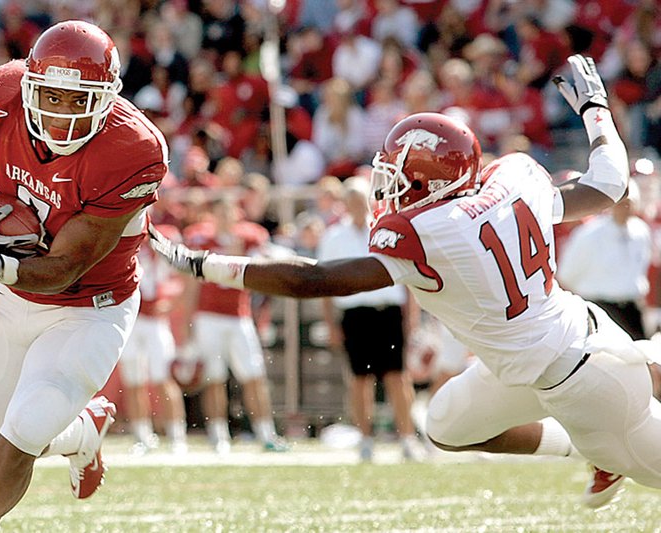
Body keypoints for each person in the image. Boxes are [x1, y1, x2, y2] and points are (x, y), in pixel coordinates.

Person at [150, 55, 661, 509]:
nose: (387, 193)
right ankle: (584, 445)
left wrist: (205, 264)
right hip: (540, 359)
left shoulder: (431, 230)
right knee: (446, 427)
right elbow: (608, 185)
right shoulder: (516, 177)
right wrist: (595, 106)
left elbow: (317, 280)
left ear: (432, 183)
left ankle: (603, 446)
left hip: (585, 378)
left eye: (398, 179)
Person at [0, 21, 168, 532]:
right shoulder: (1, 97)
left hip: (88, 307)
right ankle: (81, 433)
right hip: (13, 300)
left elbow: (65, 266)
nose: (61, 113)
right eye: (51, 95)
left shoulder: (132, 150)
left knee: (24, 430)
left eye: (80, 100)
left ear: (109, 97)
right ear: (28, 85)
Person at [317, 176, 422, 462]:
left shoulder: (385, 231)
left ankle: (407, 438)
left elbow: (407, 277)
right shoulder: (334, 237)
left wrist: (410, 317)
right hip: (355, 315)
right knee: (360, 380)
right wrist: (331, 324)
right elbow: (324, 284)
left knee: (397, 378)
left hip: (386, 312)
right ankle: (365, 438)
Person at [179, 196, 288, 454]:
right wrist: (187, 323)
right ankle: (219, 435)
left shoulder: (250, 238)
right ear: (212, 216)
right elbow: (191, 284)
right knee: (214, 377)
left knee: (253, 376)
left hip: (239, 315)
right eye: (221, 213)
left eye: (229, 212)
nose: (226, 218)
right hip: (209, 316)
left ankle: (266, 433)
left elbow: (264, 271)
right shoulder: (200, 240)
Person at [118, 225, 188, 455]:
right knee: (133, 381)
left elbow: (182, 273)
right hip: (129, 318)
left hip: (154, 319)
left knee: (162, 378)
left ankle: (177, 436)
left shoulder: (163, 235)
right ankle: (142, 437)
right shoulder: (121, 234)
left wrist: (172, 299)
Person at [557, 181, 651, 341]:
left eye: (629, 204)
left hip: (631, 308)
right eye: (621, 204)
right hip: (601, 307)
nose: (624, 209)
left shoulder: (641, 232)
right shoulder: (589, 234)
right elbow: (566, 274)